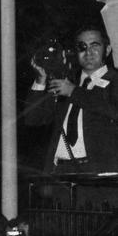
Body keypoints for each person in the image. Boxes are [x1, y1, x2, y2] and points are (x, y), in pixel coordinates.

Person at [25, 25, 118, 174]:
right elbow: (33, 118)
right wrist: (40, 79)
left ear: (107, 50)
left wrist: (74, 92)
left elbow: (113, 109)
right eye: (82, 47)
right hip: (61, 173)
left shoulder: (114, 80)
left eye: (95, 46)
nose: (88, 52)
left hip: (99, 175)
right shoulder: (68, 81)